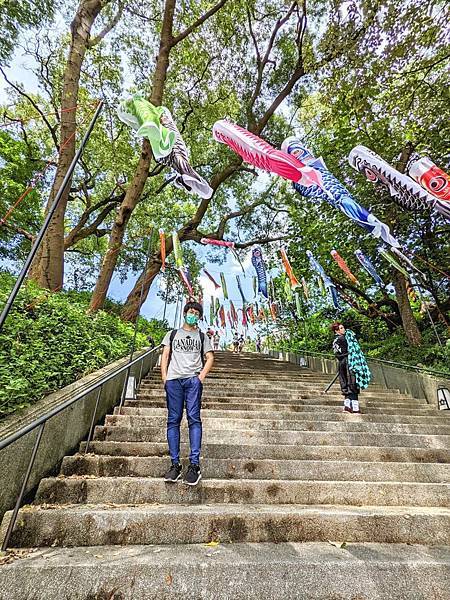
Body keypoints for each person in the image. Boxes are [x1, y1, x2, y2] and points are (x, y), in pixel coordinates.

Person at [160, 301, 214, 486]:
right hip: (174, 381)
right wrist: (165, 378)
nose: (193, 315)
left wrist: (200, 378)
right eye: (190, 312)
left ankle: (194, 465)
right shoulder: (172, 334)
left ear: (199, 317)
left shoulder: (202, 336)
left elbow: (210, 357)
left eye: (196, 313)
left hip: (192, 381)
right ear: (184, 313)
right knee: (173, 420)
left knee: (194, 418)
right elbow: (165, 355)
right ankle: (175, 465)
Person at [331, 322, 371, 414]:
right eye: (341, 328)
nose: (343, 329)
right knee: (352, 383)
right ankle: (355, 407)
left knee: (345, 383)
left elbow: (337, 354)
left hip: (342, 363)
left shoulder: (336, 340)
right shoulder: (344, 338)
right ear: (336, 331)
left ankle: (347, 406)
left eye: (343, 327)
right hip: (349, 362)